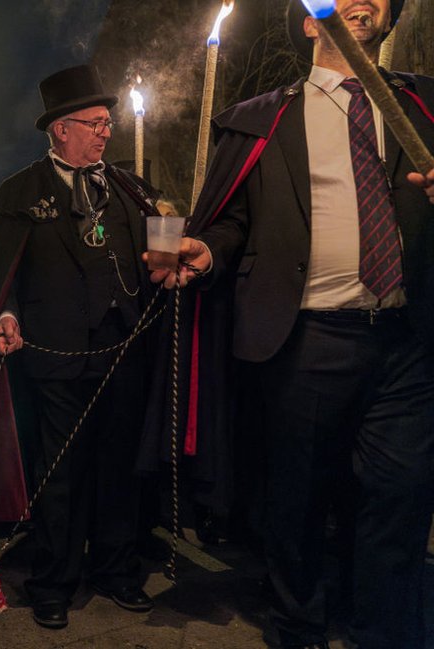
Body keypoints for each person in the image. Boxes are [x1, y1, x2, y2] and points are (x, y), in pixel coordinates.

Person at [154, 2, 434, 647]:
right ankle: (298, 623)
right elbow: (231, 220)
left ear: (390, 18)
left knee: (401, 493)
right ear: (311, 22)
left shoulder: (422, 107)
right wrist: (207, 250)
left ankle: (383, 629)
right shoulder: (263, 119)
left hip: (408, 338)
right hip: (306, 340)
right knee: (298, 497)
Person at [0, 64, 161, 630]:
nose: (106, 132)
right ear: (60, 129)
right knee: (60, 474)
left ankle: (117, 570)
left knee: (119, 467)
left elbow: (153, 259)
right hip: (56, 358)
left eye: (107, 122)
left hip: (124, 351)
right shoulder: (20, 193)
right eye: (94, 123)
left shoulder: (129, 189)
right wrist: (6, 313)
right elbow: (1, 279)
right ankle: (53, 581)